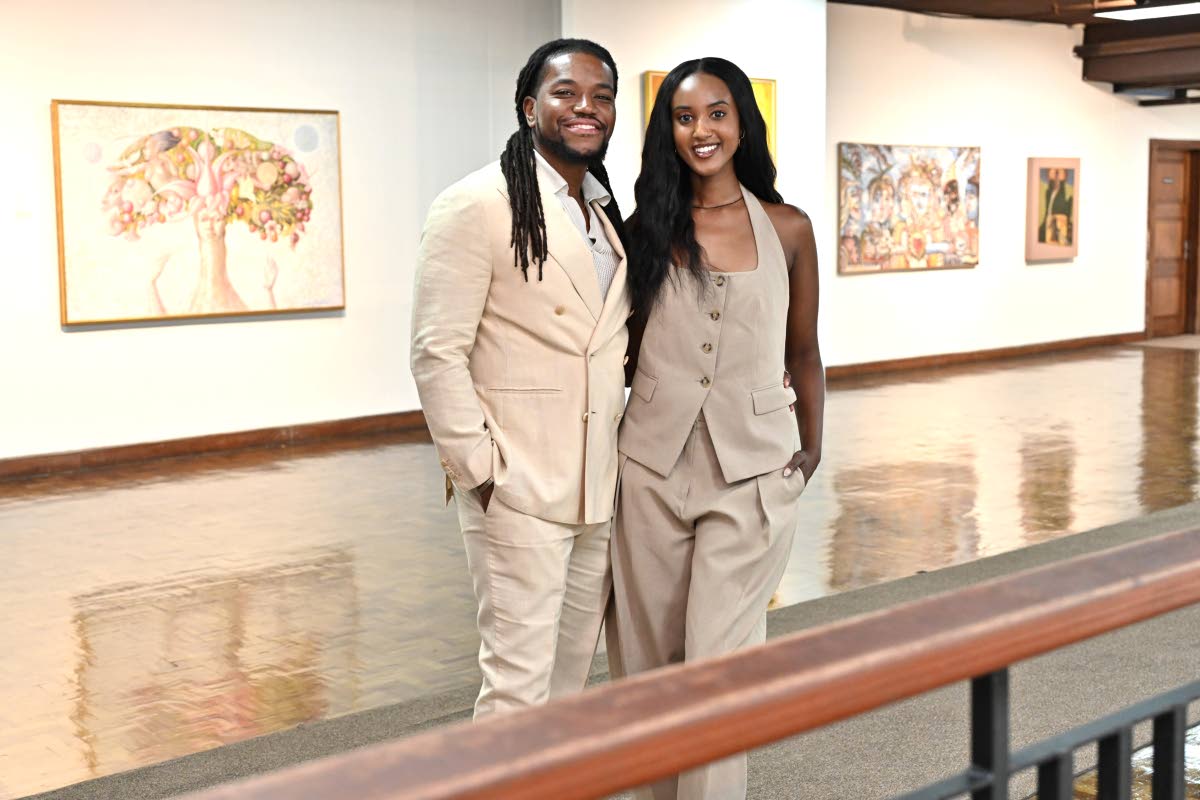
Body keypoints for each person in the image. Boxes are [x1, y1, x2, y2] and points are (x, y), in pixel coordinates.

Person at [608, 57, 824, 800]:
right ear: (667, 130)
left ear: (742, 123)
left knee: (718, 666)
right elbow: (619, 353)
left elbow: (805, 352)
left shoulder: (790, 228)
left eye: (717, 112)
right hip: (650, 472)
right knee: (650, 663)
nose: (702, 130)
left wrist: (810, 452)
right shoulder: (643, 230)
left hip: (754, 472)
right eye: (684, 116)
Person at [409, 39, 629, 718]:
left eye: (601, 95)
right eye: (566, 93)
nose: (585, 108)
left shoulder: (602, 210)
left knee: (566, 687)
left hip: (595, 487)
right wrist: (479, 471)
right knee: (516, 687)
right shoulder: (475, 204)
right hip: (518, 484)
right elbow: (435, 351)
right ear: (530, 107)